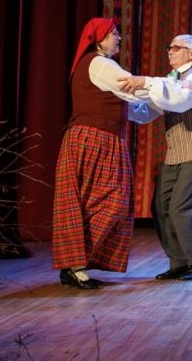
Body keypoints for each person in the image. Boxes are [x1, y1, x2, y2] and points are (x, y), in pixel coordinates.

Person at [52, 17, 156, 289]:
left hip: (105, 140)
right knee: (101, 202)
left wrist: (167, 102)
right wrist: (169, 88)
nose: (119, 38)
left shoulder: (102, 66)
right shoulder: (100, 64)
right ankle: (75, 266)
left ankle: (75, 264)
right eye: (114, 33)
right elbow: (132, 89)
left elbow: (135, 109)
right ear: (99, 39)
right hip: (94, 139)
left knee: (104, 202)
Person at [119, 34, 192, 281]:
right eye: (169, 47)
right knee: (160, 208)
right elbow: (146, 113)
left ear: (191, 53)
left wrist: (146, 82)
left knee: (180, 208)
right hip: (175, 153)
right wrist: (120, 104)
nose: (170, 51)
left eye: (176, 47)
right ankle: (179, 262)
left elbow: (182, 100)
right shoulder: (170, 81)